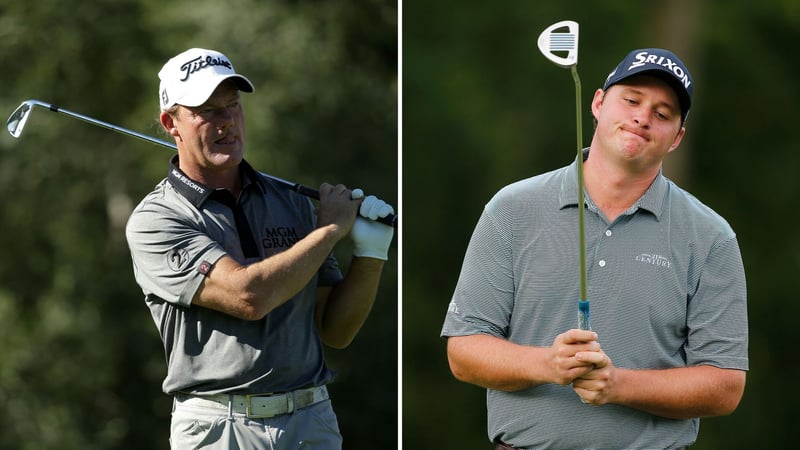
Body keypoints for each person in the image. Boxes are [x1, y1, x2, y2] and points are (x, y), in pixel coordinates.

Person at [441, 48, 748, 449]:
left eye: (662, 113)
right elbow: (463, 352)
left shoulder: (711, 237)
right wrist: (548, 365)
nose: (642, 117)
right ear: (599, 103)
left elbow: (725, 385)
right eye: (632, 100)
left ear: (677, 138)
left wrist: (619, 385)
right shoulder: (512, 209)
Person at [125, 48, 395, 450]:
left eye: (232, 106)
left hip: (310, 419)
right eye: (207, 111)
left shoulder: (289, 202)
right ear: (171, 123)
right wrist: (329, 232)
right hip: (217, 428)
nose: (226, 121)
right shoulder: (157, 220)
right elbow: (248, 296)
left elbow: (336, 330)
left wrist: (372, 255)